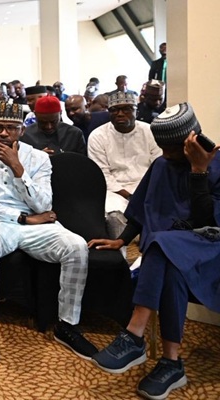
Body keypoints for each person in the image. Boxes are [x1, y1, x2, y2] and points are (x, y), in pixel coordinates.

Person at [89, 103, 219, 400]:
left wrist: (199, 171)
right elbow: (140, 207)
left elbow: (206, 222)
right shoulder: (163, 165)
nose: (165, 155)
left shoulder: (216, 165)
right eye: (162, 148)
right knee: (169, 261)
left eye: (171, 149)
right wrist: (121, 240)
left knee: (161, 242)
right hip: (172, 253)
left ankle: (134, 335)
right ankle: (172, 363)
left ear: (192, 139)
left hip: (212, 250)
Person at [0, 101, 97, 366]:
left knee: (76, 246)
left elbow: (44, 205)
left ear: (22, 131)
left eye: (11, 128)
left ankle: (67, 325)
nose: (4, 134)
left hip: (37, 226)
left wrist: (19, 170)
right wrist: (23, 218)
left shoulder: (38, 158)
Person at [88, 92, 161, 238]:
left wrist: (141, 195)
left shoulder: (151, 132)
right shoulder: (97, 136)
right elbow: (103, 174)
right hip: (115, 191)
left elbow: (158, 167)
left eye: (127, 109)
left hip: (148, 188)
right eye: (114, 110)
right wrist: (129, 196)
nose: (120, 114)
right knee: (114, 215)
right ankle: (121, 256)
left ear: (136, 111)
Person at [20, 95, 86, 155]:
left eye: (53, 122)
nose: (49, 127)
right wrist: (38, 157)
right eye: (43, 122)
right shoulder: (25, 135)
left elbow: (82, 163)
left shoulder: (74, 134)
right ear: (35, 114)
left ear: (60, 114)